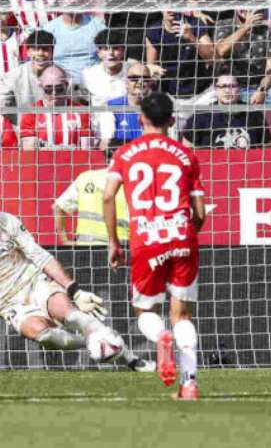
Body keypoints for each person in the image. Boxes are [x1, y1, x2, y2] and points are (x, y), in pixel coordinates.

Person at [0, 180, 153, 371]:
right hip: (10, 304)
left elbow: (40, 256)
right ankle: (100, 342)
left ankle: (131, 358)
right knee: (43, 335)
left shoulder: (5, 221)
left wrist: (74, 289)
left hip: (36, 284)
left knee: (71, 315)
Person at [103, 92, 206, 400]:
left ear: (140, 119)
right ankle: (189, 385)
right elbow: (199, 212)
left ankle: (160, 335)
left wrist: (114, 242)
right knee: (183, 315)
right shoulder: (186, 155)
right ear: (172, 120)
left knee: (145, 309)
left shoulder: (125, 153)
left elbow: (108, 196)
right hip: (182, 235)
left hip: (146, 240)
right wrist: (187, 232)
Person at [213, 9, 271, 105]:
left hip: (258, 87)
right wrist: (245, 27)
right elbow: (221, 50)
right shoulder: (224, 24)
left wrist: (262, 90)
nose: (246, 8)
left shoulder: (265, 30)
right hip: (231, 87)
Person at [54, 146, 130, 245]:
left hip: (86, 247)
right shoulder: (132, 183)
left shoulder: (86, 178)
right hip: (121, 249)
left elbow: (58, 207)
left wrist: (64, 240)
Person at [182, 73, 271, 149]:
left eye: (232, 86)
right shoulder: (202, 115)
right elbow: (187, 147)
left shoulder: (253, 114)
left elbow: (268, 146)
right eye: (223, 86)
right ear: (216, 89)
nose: (227, 90)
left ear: (240, 88)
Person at [41, 0, 106, 85]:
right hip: (60, 87)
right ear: (59, 0)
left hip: (94, 84)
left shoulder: (98, 26)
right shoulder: (49, 29)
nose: (72, 0)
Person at [145, 10, 215, 98]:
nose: (170, 9)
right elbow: (151, 66)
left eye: (174, 3)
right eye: (166, 3)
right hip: (170, 93)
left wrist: (191, 38)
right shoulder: (153, 32)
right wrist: (152, 70)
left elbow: (212, 57)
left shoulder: (195, 23)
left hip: (201, 91)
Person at [21, 66, 92, 149]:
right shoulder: (30, 114)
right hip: (43, 161)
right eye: (48, 89)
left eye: (59, 89)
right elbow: (30, 151)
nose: (54, 93)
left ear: (66, 85)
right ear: (40, 86)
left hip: (73, 161)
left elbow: (87, 151)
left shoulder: (82, 112)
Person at [0, 30, 55, 119]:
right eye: (36, 49)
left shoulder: (63, 76)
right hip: (22, 129)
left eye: (45, 49)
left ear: (52, 52)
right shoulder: (14, 76)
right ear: (28, 52)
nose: (40, 53)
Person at [102, 62, 157, 147]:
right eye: (134, 78)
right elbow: (106, 143)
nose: (140, 82)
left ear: (150, 82)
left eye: (145, 78)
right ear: (126, 82)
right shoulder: (111, 107)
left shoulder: (159, 107)